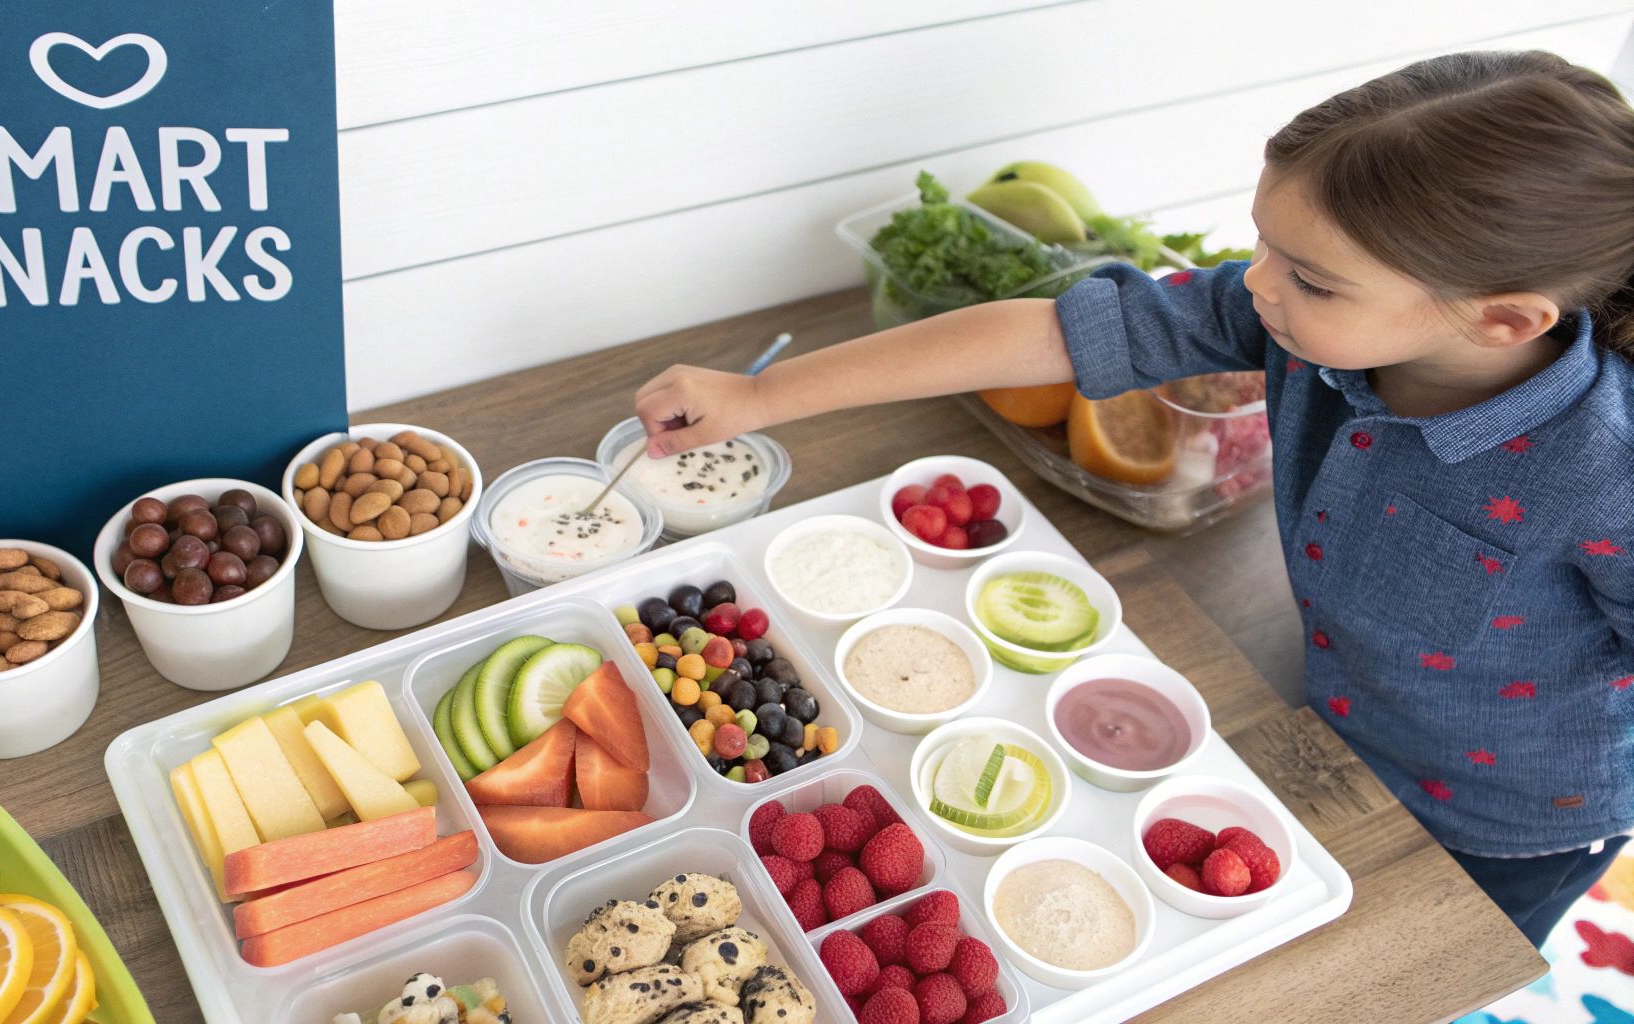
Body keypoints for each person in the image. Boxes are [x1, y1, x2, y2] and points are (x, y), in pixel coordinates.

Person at [632, 50, 1634, 948]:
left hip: (1511, 823)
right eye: (1262, 243)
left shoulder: (1606, 471)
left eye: (1312, 281)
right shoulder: (1282, 315)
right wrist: (760, 394)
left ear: (1503, 319)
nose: (1256, 283)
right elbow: (1045, 333)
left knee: (1417, 973)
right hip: (1320, 719)